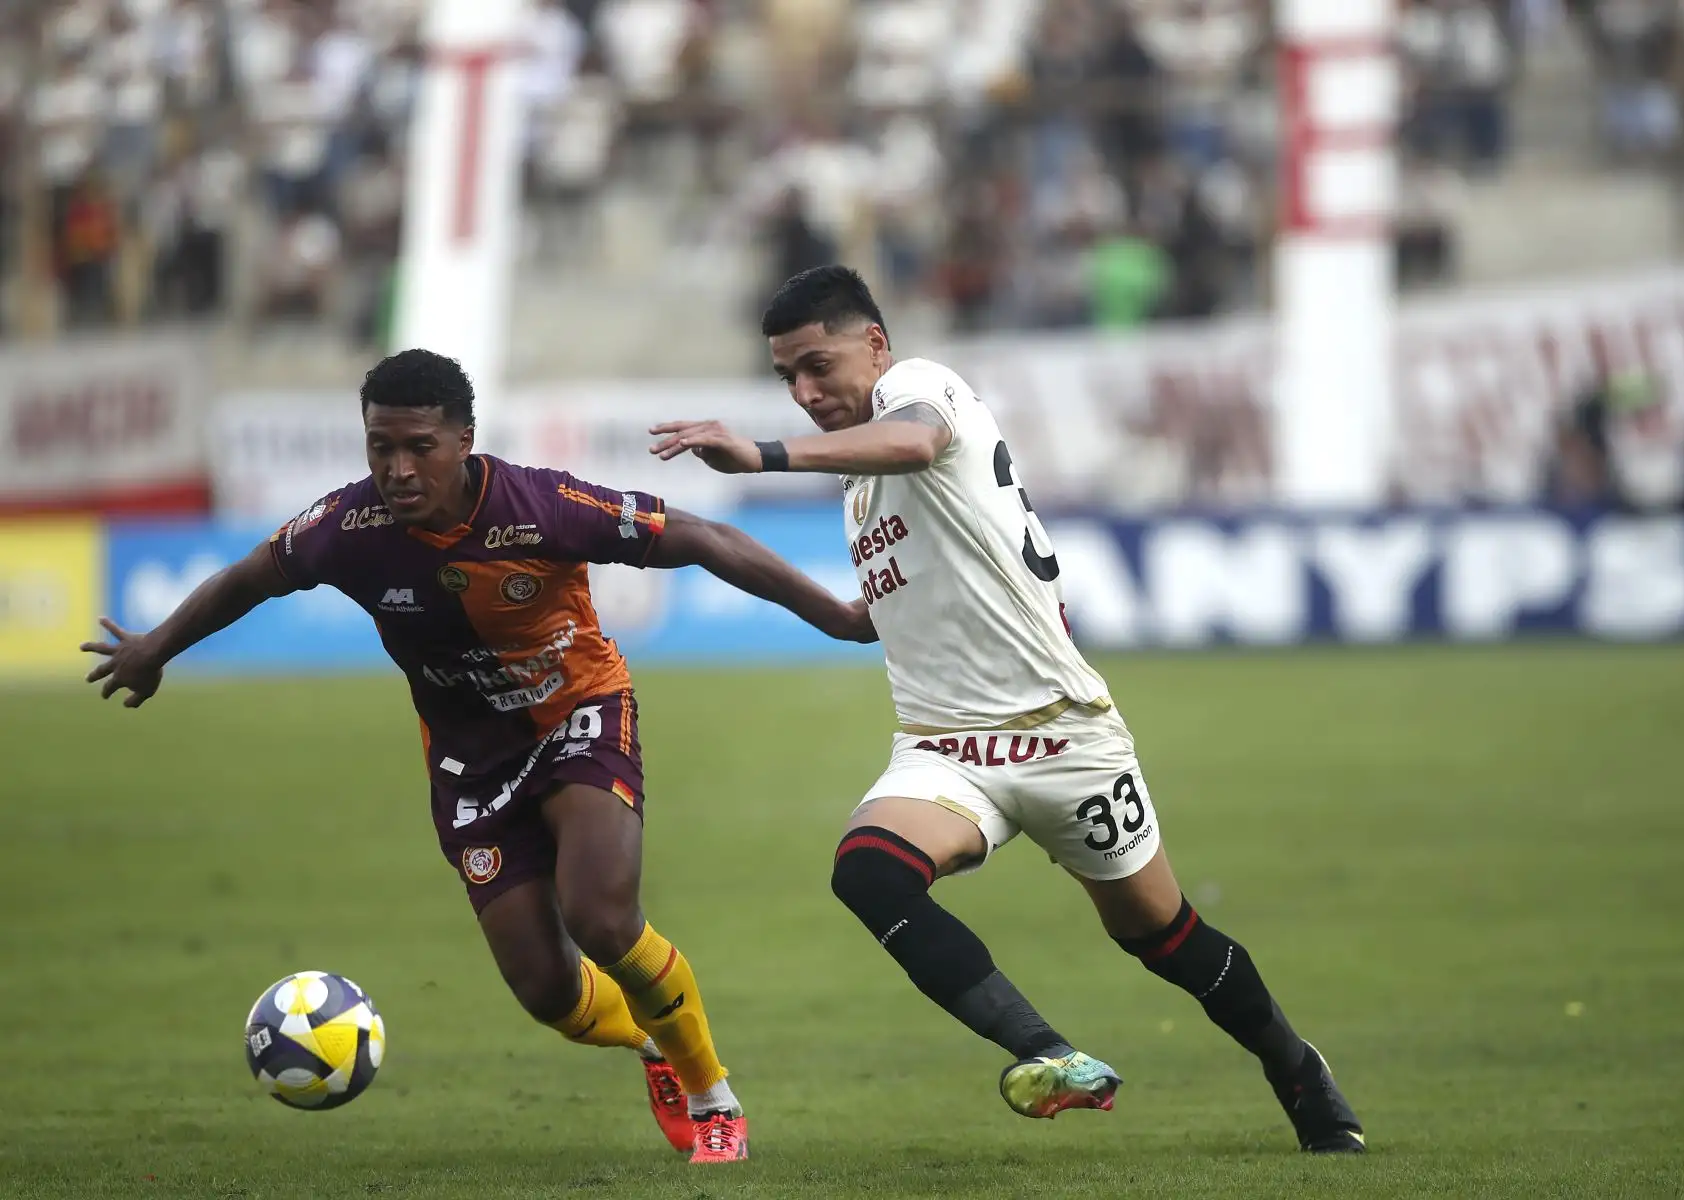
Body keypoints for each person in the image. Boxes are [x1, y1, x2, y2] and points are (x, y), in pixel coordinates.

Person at [82, 349, 874, 1164]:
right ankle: (652, 1041)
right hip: (472, 767)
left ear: (464, 439)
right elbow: (252, 575)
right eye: (380, 447)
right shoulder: (345, 529)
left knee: (600, 917)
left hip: (579, 715)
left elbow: (700, 537)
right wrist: (156, 649)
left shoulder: (539, 505)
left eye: (418, 446)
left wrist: (836, 617)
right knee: (548, 993)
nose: (397, 468)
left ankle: (712, 1096)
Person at [648, 266, 1364, 1151]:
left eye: (816, 366)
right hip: (945, 750)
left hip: (1064, 735)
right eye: (785, 379)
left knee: (1164, 937)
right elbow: (856, 619)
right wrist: (722, 550)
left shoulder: (922, 388)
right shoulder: (862, 487)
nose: (803, 392)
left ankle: (1295, 1065)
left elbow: (911, 443)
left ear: (873, 342)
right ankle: (1047, 1054)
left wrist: (758, 454)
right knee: (867, 872)